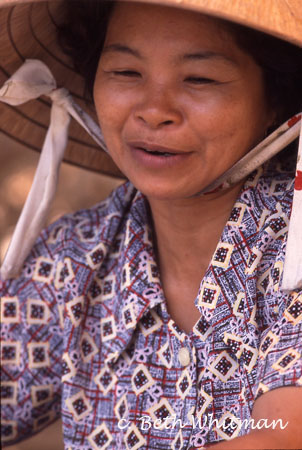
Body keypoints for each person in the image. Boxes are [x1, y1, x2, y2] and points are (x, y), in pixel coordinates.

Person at [1, 0, 302, 448]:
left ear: (276, 98)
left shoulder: (293, 246)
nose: (154, 110)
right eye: (126, 72)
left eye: (199, 79)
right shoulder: (75, 257)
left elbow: (281, 435)